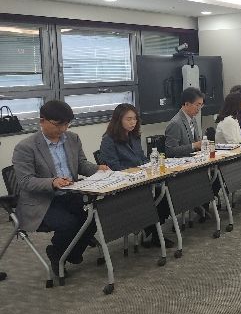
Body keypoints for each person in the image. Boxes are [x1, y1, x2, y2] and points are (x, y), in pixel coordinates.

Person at [12, 100, 108, 273]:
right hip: (42, 201)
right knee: (69, 223)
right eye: (58, 124)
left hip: (71, 194)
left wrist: (98, 169)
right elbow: (25, 181)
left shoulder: (72, 139)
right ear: (42, 121)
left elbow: (81, 164)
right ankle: (57, 252)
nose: (63, 129)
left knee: (96, 215)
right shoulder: (25, 147)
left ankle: (68, 253)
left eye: (66, 124)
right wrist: (52, 182)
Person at [100, 103, 173, 248]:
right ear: (118, 120)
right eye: (128, 119)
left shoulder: (134, 136)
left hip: (143, 180)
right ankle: (153, 232)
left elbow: (142, 159)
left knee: (169, 191)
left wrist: (151, 165)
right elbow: (114, 168)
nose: (133, 122)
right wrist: (137, 170)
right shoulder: (108, 140)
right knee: (157, 194)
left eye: (134, 119)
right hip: (125, 185)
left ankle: (152, 230)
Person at [165, 87, 204, 157]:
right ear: (187, 104)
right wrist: (194, 145)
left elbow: (196, 142)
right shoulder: (175, 123)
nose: (199, 108)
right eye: (197, 105)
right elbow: (170, 151)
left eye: (201, 105)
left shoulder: (193, 119)